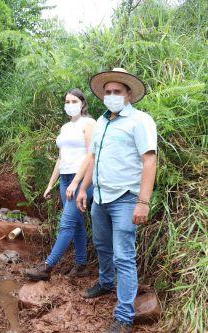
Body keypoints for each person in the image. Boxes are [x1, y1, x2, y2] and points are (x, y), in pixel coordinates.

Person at [76, 68, 157, 333]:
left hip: (125, 198)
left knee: (124, 256)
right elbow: (94, 158)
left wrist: (143, 202)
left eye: (117, 92)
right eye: (107, 92)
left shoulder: (140, 121)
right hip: (100, 197)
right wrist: (83, 189)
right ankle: (106, 281)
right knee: (101, 245)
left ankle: (124, 316)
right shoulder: (101, 122)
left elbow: (149, 160)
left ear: (128, 94)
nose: (111, 96)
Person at [24, 88, 96, 281]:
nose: (70, 105)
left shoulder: (89, 123)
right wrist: (50, 184)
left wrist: (76, 182)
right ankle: (81, 265)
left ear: (83, 103)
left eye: (74, 101)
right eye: (67, 102)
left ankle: (47, 268)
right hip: (65, 179)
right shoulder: (65, 128)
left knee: (66, 224)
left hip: (81, 179)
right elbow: (60, 158)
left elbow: (91, 156)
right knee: (78, 224)